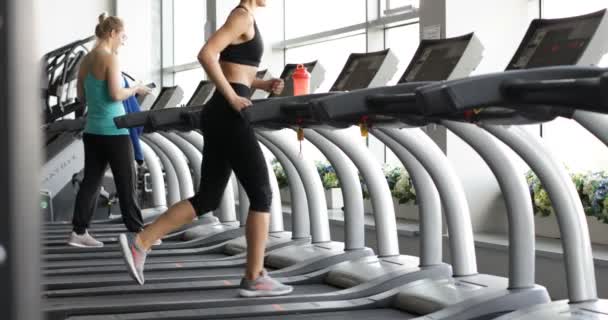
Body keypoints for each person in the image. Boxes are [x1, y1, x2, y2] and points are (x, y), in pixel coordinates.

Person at [119, 0, 294, 298]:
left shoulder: (246, 18)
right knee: (262, 193)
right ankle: (254, 277)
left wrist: (263, 84)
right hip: (228, 112)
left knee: (208, 197)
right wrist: (233, 98)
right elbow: (206, 54)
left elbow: (238, 71)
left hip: (220, 112)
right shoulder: (241, 17)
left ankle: (142, 242)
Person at [68, 13, 151, 248]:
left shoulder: (86, 60)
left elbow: (82, 97)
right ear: (112, 33)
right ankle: (140, 235)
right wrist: (136, 89)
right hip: (114, 131)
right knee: (127, 183)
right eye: (123, 36)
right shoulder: (110, 59)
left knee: (91, 182)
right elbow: (116, 94)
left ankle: (79, 232)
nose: (123, 41)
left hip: (92, 131)